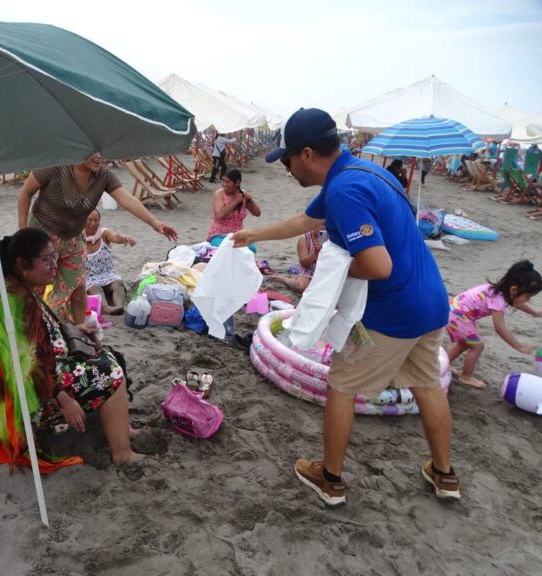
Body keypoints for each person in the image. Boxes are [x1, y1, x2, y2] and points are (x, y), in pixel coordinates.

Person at [232, 107, 459, 505]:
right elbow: (305, 220)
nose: (287, 170)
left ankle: (331, 479)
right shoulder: (363, 172)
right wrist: (254, 234)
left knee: (340, 384)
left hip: (391, 315)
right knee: (426, 383)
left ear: (305, 154)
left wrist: (328, 273)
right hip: (431, 304)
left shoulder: (344, 191)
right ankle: (444, 475)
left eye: (286, 160)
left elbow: (377, 265)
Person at [0, 227, 142, 467]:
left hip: (2, 391)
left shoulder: (4, 288)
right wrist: (61, 397)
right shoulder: (16, 301)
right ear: (22, 263)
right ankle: (123, 453)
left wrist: (76, 330)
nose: (54, 265)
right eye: (46, 260)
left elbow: (30, 345)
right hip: (18, 400)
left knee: (108, 355)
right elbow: (24, 364)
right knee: (110, 373)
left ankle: (123, 427)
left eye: (54, 257)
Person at [17, 152, 178, 324]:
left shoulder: (104, 176)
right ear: (80, 147)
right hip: (42, 237)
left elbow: (127, 200)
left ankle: (78, 332)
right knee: (35, 286)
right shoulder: (54, 164)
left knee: (78, 286)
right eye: (95, 152)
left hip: (73, 239)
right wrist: (23, 233)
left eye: (102, 152)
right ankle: (30, 325)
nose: (100, 157)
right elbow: (25, 193)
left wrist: (155, 222)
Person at [446, 260, 541, 389]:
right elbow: (500, 328)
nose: (528, 300)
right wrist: (518, 346)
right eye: (528, 296)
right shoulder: (498, 300)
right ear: (514, 290)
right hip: (459, 316)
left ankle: (443, 365)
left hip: (453, 311)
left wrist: (534, 312)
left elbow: (517, 303)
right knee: (477, 347)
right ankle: (466, 377)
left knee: (465, 343)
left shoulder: (496, 290)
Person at [84, 208, 135, 315]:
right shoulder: (79, 238)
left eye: (96, 220)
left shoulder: (104, 233)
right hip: (91, 278)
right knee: (95, 288)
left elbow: (115, 237)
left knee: (118, 283)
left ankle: (119, 306)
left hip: (108, 275)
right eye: (90, 220)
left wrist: (123, 238)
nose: (93, 223)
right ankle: (106, 308)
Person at [206, 168, 261, 251]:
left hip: (237, 235)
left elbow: (257, 213)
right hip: (218, 234)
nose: (224, 184)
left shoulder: (242, 194)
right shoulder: (219, 194)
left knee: (252, 249)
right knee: (225, 249)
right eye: (223, 180)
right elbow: (219, 215)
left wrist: (251, 201)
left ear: (237, 182)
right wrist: (235, 201)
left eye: (227, 182)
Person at [270, 225, 326, 293]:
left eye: (324, 225)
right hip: (309, 272)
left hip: (325, 271)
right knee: (300, 287)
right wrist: (315, 253)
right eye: (318, 224)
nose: (321, 227)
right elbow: (304, 264)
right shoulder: (305, 238)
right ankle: (286, 280)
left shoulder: (332, 239)